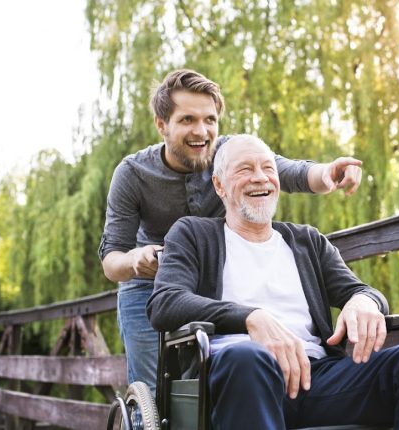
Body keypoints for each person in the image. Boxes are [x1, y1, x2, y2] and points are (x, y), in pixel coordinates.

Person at [147, 134, 399, 429]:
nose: (260, 177)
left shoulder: (307, 241)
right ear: (220, 185)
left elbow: (360, 290)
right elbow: (165, 303)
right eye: (245, 169)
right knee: (247, 358)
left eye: (268, 168)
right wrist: (250, 318)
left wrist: (364, 301)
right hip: (239, 379)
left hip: (317, 378)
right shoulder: (193, 234)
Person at [99, 69, 364, 393]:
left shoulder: (229, 156)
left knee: (211, 387)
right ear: (161, 124)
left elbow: (289, 171)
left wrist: (329, 173)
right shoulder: (132, 174)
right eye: (187, 120)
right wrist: (135, 260)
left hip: (210, 281)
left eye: (210, 120)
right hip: (148, 286)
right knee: (155, 393)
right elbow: (111, 260)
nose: (202, 131)